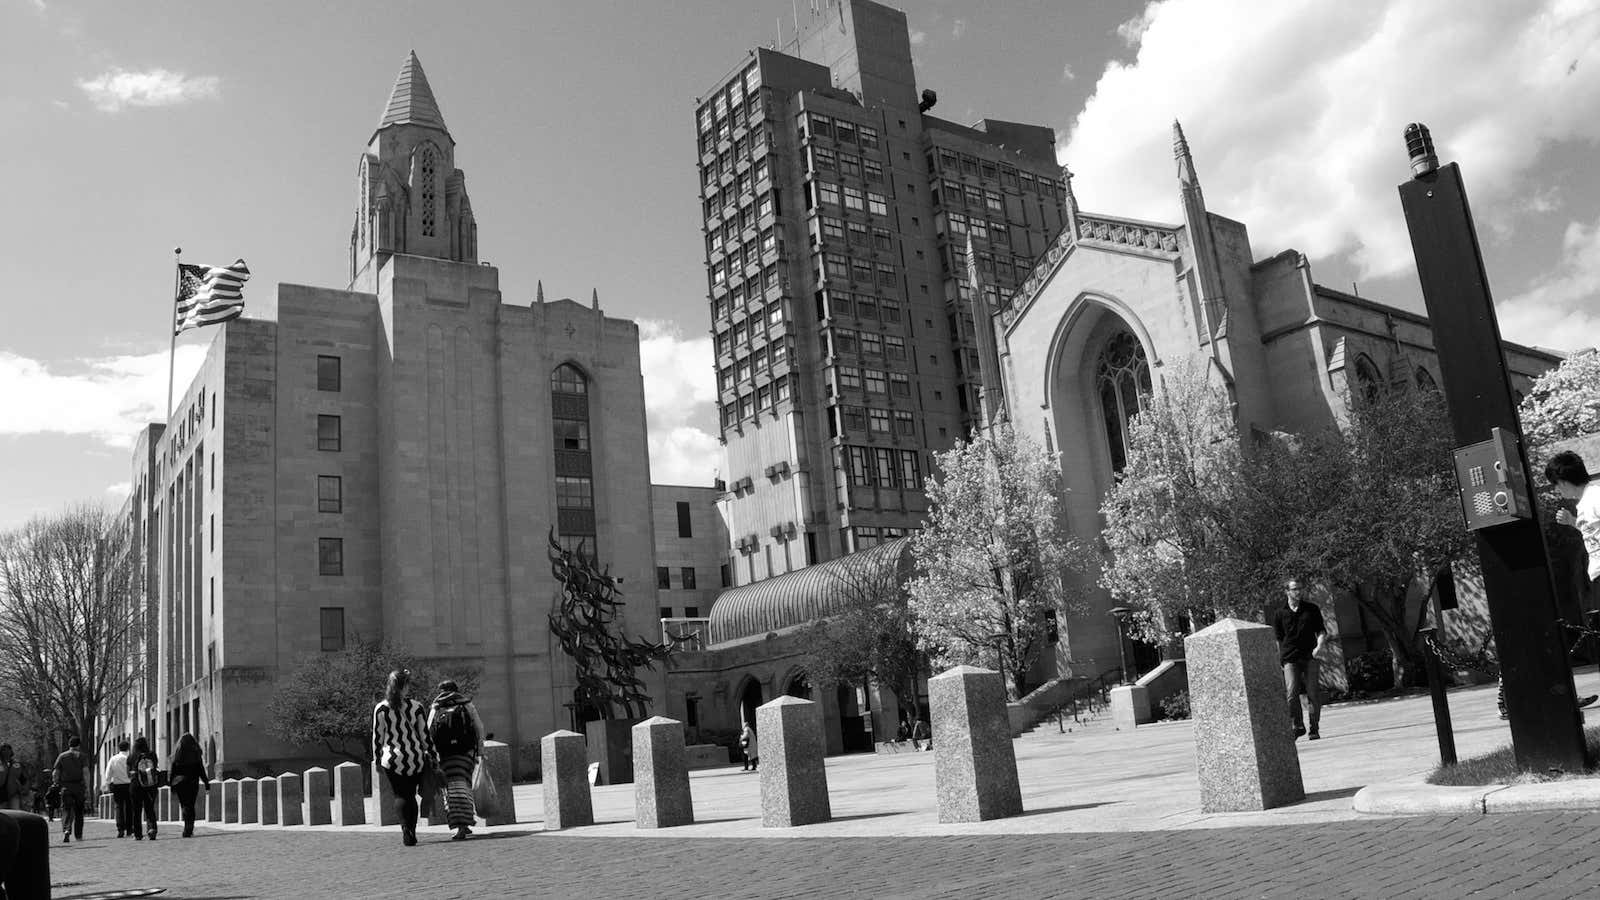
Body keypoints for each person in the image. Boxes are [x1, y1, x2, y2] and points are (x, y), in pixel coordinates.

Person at [372, 668, 434, 846]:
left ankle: (405, 829)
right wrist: (433, 756)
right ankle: (412, 831)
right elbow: (425, 736)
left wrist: (377, 759)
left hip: (392, 758)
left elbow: (378, 737)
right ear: (405, 686)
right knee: (411, 796)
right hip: (415, 757)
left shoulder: (381, 708)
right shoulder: (416, 707)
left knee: (400, 795)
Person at [427, 680, 485, 841]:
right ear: (456, 689)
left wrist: (431, 755)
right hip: (465, 753)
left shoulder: (436, 707)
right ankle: (464, 824)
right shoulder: (466, 703)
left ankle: (460, 826)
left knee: (451, 790)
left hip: (445, 755)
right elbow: (478, 727)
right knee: (464, 786)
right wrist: (480, 750)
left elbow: (428, 731)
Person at [1272, 577, 1328, 740]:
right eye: (1295, 589)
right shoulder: (1279, 613)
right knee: (1291, 693)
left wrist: (1319, 647)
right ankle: (1297, 726)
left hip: (1310, 656)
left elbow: (1321, 631)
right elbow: (1278, 639)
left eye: (1300, 588)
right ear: (1287, 592)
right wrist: (1279, 658)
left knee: (1312, 693)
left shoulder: (1311, 609)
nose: (1298, 591)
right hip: (1290, 658)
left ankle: (1314, 728)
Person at [167, 733, 210, 838]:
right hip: (193, 782)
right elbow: (201, 770)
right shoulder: (195, 753)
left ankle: (187, 828)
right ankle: (189, 828)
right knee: (191, 805)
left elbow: (173, 771)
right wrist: (206, 783)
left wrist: (171, 784)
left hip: (180, 783)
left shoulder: (177, 754)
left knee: (184, 805)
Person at [50, 736, 87, 843]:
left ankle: (66, 829)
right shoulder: (82, 756)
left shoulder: (62, 756)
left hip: (66, 787)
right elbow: (86, 772)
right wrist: (87, 787)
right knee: (79, 811)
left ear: (69, 745)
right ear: (78, 745)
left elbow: (55, 772)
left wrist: (55, 782)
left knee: (66, 809)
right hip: (79, 786)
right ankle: (78, 835)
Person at [127, 736, 161, 840]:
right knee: (150, 808)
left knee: (136, 811)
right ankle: (151, 829)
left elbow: (128, 774)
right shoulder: (152, 754)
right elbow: (155, 767)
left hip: (136, 785)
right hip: (150, 785)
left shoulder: (132, 756)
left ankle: (137, 834)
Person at [105, 740, 132, 837]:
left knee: (119, 807)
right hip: (129, 785)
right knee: (130, 807)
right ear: (128, 747)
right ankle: (129, 829)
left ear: (118, 748)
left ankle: (120, 829)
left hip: (117, 785)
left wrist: (108, 783)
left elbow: (108, 772)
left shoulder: (114, 759)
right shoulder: (130, 758)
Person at [0, 746, 26, 811]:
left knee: (15, 813)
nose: (6, 752)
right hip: (1, 794)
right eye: (4, 750)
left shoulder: (17, 764)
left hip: (14, 793)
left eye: (8, 750)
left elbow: (24, 778)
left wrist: (24, 789)